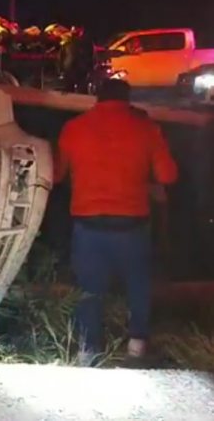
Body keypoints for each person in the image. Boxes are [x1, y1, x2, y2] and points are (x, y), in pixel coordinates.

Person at [54, 79, 178, 366]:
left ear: (98, 98)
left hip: (88, 223)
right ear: (128, 99)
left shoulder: (74, 128)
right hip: (131, 224)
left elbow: (57, 174)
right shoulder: (146, 129)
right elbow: (168, 176)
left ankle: (88, 349)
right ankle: (136, 346)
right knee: (138, 283)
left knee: (88, 287)